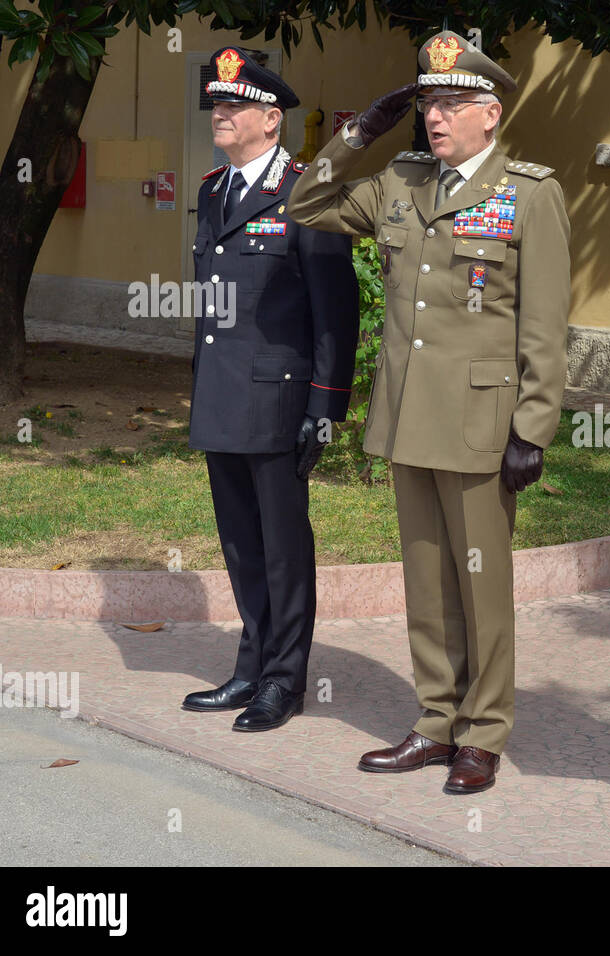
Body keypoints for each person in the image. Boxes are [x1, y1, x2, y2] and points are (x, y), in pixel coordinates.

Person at [289, 31, 571, 791]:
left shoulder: (530, 193)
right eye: (427, 103)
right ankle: (435, 721)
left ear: (491, 112)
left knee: (481, 586)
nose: (435, 118)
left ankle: (484, 733)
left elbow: (544, 328)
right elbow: (306, 200)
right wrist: (361, 133)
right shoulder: (401, 180)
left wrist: (533, 428)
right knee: (425, 581)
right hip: (408, 416)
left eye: (451, 104)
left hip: (482, 424)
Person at [181, 48, 358, 731]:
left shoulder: (306, 194)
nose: (219, 114)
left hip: (279, 400)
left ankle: (285, 679)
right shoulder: (212, 190)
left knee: (284, 546)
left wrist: (324, 407)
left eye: (232, 106)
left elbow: (334, 309)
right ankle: (251, 665)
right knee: (239, 543)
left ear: (271, 119)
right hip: (222, 394)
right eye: (217, 105)